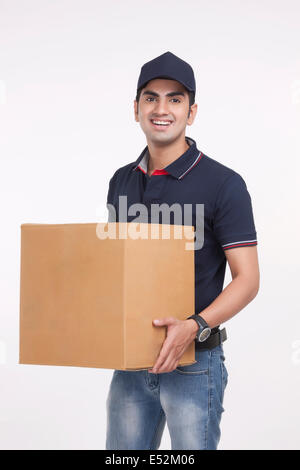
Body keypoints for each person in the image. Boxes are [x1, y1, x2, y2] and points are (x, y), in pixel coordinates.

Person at [105, 51, 260, 450]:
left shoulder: (224, 184)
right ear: (135, 109)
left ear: (191, 113)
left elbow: (248, 280)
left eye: (175, 99)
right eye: (151, 97)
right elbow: (114, 267)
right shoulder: (121, 180)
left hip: (195, 362)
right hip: (130, 362)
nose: (162, 109)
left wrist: (193, 325)